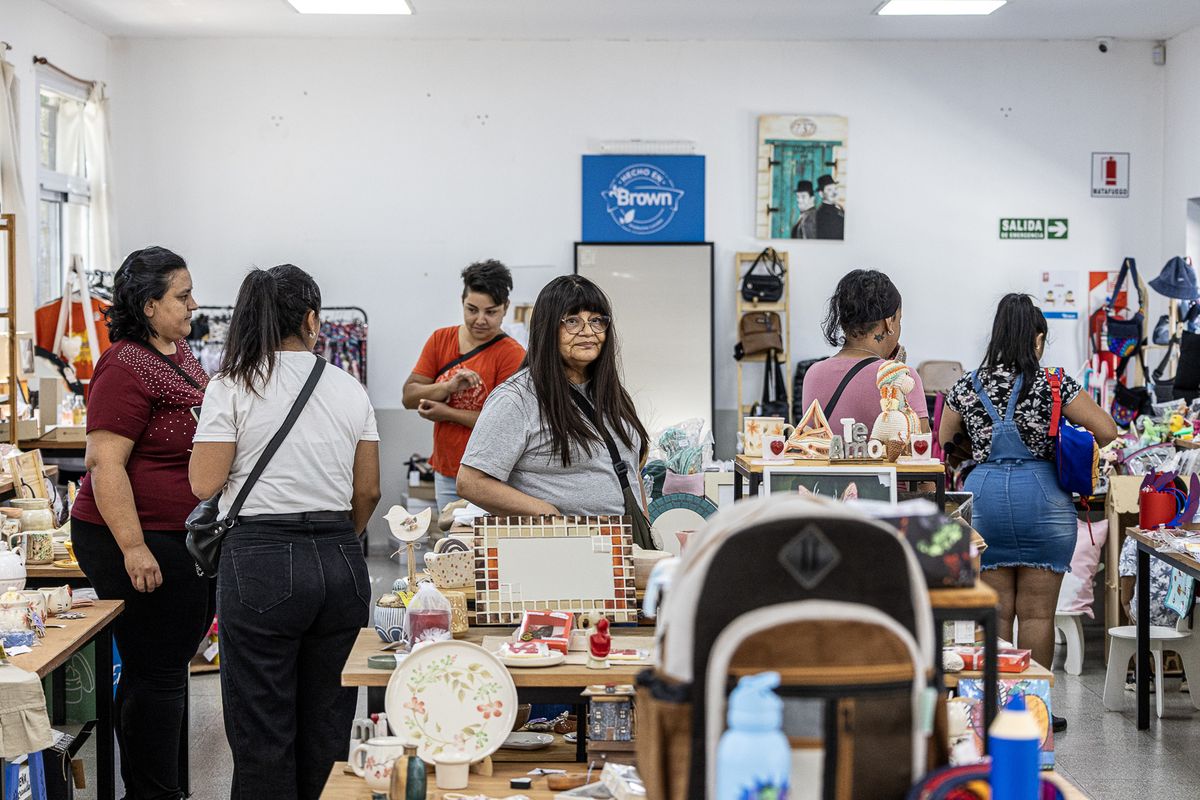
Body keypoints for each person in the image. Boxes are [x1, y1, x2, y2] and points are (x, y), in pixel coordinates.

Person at [189, 265, 381, 800]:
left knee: (262, 731)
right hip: (341, 556)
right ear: (312, 320)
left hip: (260, 560)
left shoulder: (231, 385)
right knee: (329, 727)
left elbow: (204, 483)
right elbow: (367, 491)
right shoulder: (349, 389)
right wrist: (337, 540)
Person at [69, 245, 213, 800]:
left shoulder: (176, 352)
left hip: (177, 534)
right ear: (150, 304)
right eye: (182, 295)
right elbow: (105, 463)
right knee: (155, 669)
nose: (194, 304)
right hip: (131, 536)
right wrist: (133, 548)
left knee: (168, 667)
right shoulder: (123, 364)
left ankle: (164, 788)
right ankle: (151, 793)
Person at [939, 294, 1116, 729]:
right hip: (1045, 499)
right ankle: (1033, 710)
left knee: (995, 611)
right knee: (1038, 614)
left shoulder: (966, 385)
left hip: (985, 501)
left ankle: (994, 707)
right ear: (1037, 337)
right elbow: (1107, 430)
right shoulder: (1055, 383)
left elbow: (943, 440)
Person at [457, 274, 648, 517]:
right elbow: (471, 482)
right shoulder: (516, 398)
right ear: (547, 328)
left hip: (624, 545)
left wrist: (643, 527)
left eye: (597, 320)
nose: (588, 331)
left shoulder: (611, 392)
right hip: (566, 548)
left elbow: (629, 470)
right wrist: (548, 514)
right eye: (572, 321)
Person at [403, 260, 526, 511]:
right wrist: (447, 388)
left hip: (493, 476)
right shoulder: (440, 340)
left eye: (490, 312)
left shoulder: (512, 355)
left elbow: (504, 424)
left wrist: (446, 413)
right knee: (453, 543)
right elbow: (409, 396)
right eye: (472, 310)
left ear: (506, 308)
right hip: (448, 471)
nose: (480, 320)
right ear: (462, 301)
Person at [801, 269, 929, 430]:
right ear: (889, 322)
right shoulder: (902, 378)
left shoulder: (813, 374)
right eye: (899, 319)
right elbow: (921, 448)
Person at [815, 174, 845, 240]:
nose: (834, 193)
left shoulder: (839, 209)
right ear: (821, 194)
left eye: (835, 189)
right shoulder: (820, 214)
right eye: (829, 190)